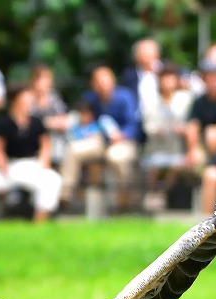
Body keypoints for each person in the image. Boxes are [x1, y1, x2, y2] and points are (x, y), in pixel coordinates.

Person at [0, 88, 62, 222]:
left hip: (31, 165)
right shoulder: (4, 123)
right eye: (26, 100)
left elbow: (45, 147)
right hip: (7, 166)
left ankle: (39, 222)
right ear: (16, 101)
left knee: (52, 178)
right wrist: (4, 168)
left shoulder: (37, 123)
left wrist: (43, 164)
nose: (29, 103)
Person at [59, 65, 140, 211]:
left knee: (116, 157)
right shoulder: (89, 98)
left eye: (105, 81)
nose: (102, 85)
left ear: (113, 81)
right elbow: (77, 118)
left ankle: (123, 201)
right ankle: (65, 196)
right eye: (98, 81)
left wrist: (121, 135)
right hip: (98, 141)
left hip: (123, 141)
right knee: (73, 149)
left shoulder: (125, 97)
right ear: (93, 84)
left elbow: (133, 125)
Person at [184, 59, 216, 215]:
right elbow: (192, 127)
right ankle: (207, 222)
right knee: (212, 176)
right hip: (211, 154)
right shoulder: (199, 103)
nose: (211, 80)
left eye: (214, 76)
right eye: (207, 77)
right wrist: (192, 149)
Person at [139, 66, 192, 210]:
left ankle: (163, 192)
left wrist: (182, 129)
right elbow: (147, 125)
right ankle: (152, 193)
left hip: (177, 147)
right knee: (153, 166)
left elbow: (190, 123)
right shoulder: (152, 101)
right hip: (156, 146)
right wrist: (157, 130)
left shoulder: (185, 99)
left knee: (176, 165)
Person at [28, 63, 69, 164]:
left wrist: (45, 122)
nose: (44, 82)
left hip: (54, 139)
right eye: (40, 78)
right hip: (32, 141)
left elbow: (63, 120)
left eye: (47, 78)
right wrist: (48, 122)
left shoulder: (53, 97)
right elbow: (28, 122)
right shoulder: (27, 98)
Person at [119, 38, 162, 117]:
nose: (146, 55)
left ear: (157, 54)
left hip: (163, 117)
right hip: (139, 118)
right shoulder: (129, 75)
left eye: (149, 52)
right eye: (142, 53)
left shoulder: (166, 70)